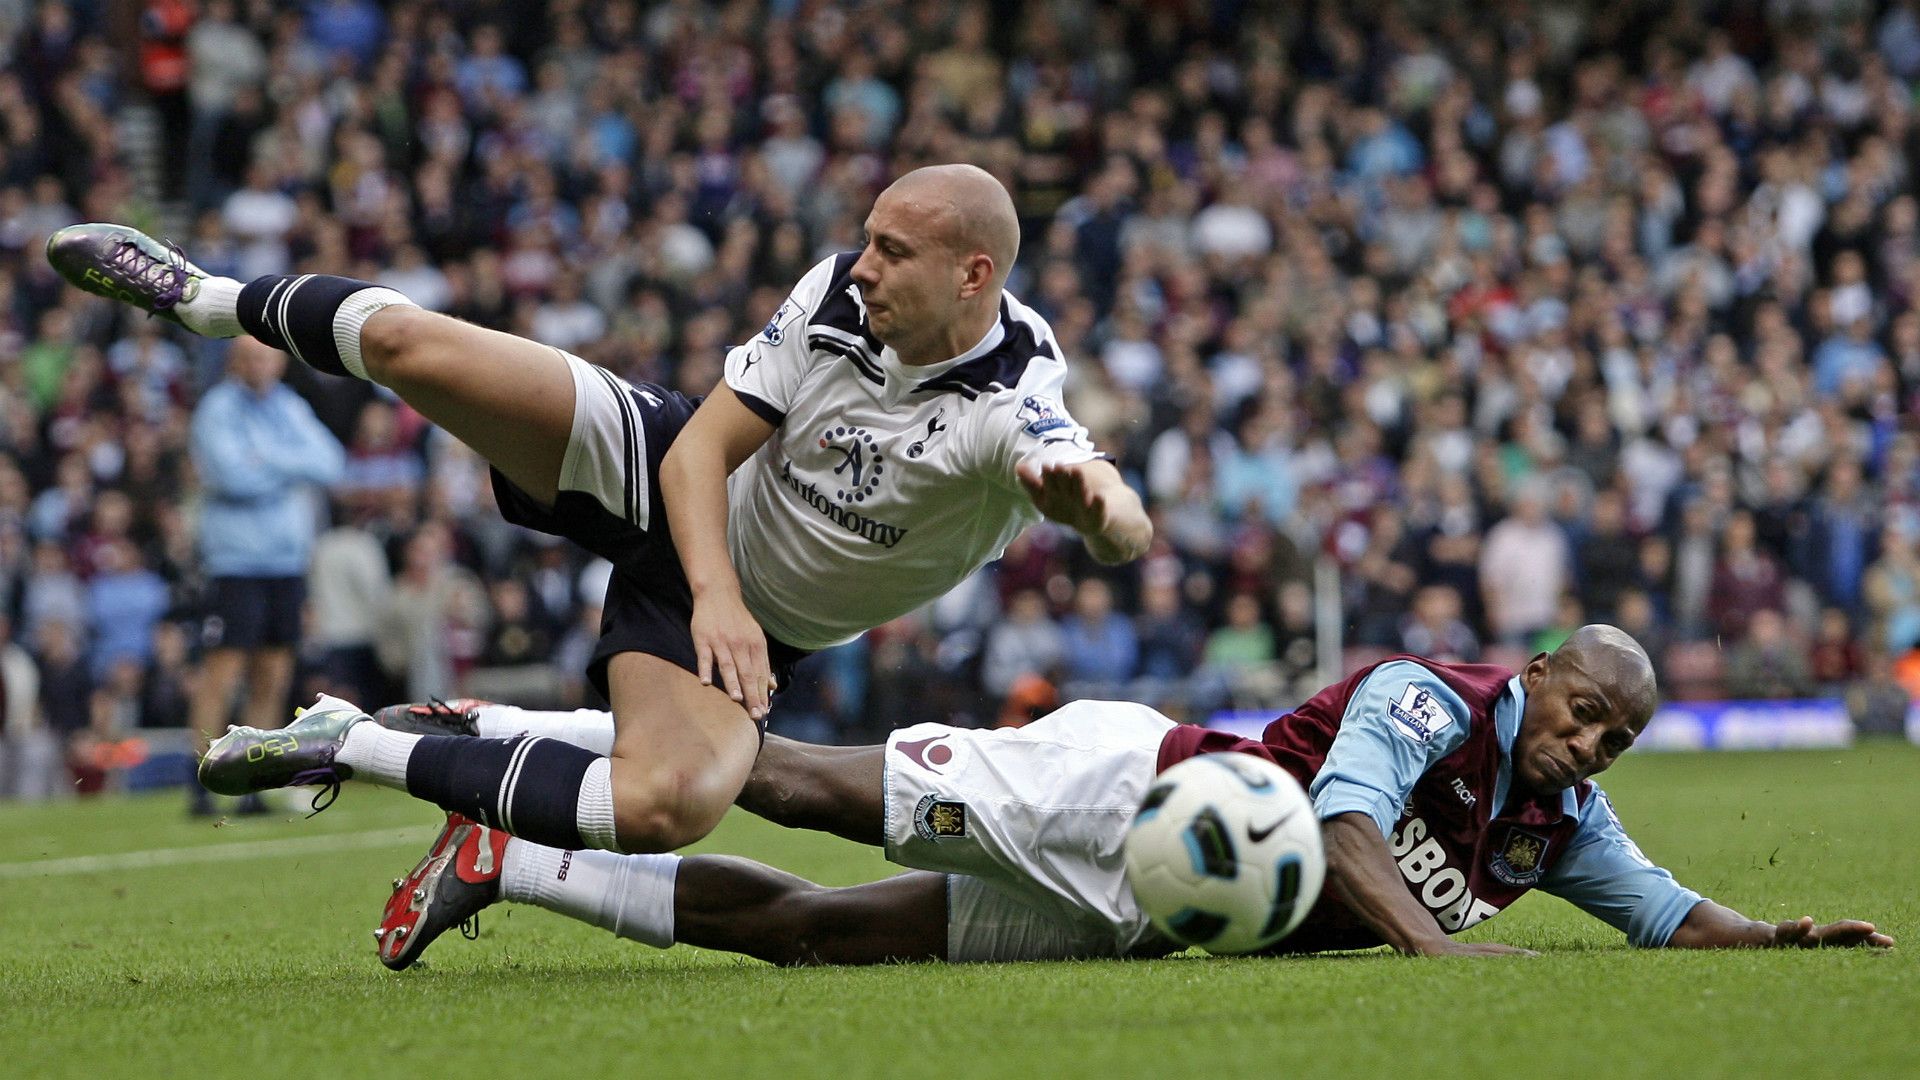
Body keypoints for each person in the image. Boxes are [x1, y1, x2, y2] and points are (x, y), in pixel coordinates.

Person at [48, 162, 1151, 857]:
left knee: (664, 809)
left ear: (973, 277)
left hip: (755, 624)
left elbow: (1116, 510)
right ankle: (199, 297)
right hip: (671, 473)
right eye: (864, 238)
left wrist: (1096, 516)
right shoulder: (834, 296)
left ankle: (353, 743)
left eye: (891, 253)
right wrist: (715, 590)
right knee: (410, 345)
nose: (860, 266)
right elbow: (707, 445)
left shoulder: (1012, 409)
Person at [360, 625, 1890, 970]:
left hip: (1158, 918)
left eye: (1618, 738)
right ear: (1540, 673)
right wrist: (1437, 957)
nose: (1592, 745)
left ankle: (514, 857)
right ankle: (500, 727)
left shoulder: (1561, 825)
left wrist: (1772, 948)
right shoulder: (1432, 700)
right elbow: (1346, 824)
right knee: (818, 790)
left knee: (828, 940)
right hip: (1122, 796)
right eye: (1584, 712)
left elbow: (1664, 912)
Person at [185, 335, 345, 814]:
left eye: (267, 356)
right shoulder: (217, 410)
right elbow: (232, 476)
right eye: (250, 356)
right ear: (236, 361)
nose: (260, 364)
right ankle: (203, 777)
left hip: (285, 560)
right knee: (223, 671)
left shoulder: (287, 405)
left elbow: (331, 463)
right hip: (235, 561)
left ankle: (253, 781)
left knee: (272, 675)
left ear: (278, 362)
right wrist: (289, 464)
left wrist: (266, 457)